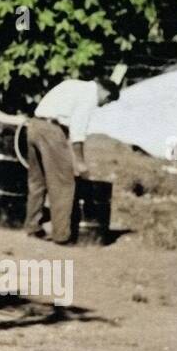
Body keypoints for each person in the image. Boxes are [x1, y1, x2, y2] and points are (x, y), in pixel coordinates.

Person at [26, 76, 119, 244]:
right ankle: (61, 236)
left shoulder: (72, 84)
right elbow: (78, 130)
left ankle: (32, 226)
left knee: (37, 181)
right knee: (64, 184)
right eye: (107, 101)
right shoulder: (89, 95)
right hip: (51, 131)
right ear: (105, 92)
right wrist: (80, 162)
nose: (103, 104)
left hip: (34, 125)